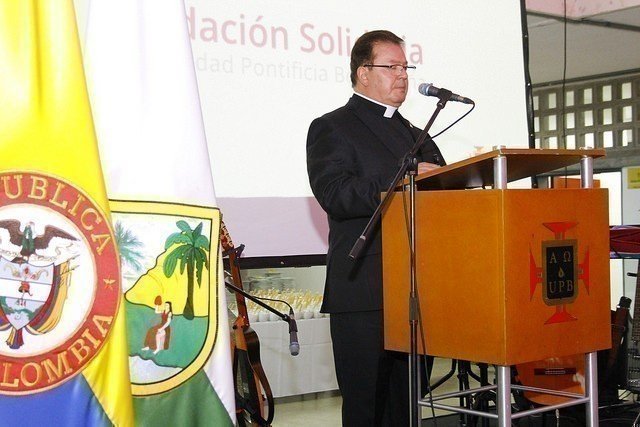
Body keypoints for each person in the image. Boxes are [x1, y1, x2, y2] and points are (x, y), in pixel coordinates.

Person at [306, 30, 445, 426]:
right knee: (367, 405)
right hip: (364, 289)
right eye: (392, 66)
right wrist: (402, 178)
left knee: (408, 407)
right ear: (363, 72)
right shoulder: (332, 126)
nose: (402, 75)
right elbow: (335, 193)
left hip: (415, 290)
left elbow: (442, 189)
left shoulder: (416, 135)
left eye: (405, 66)